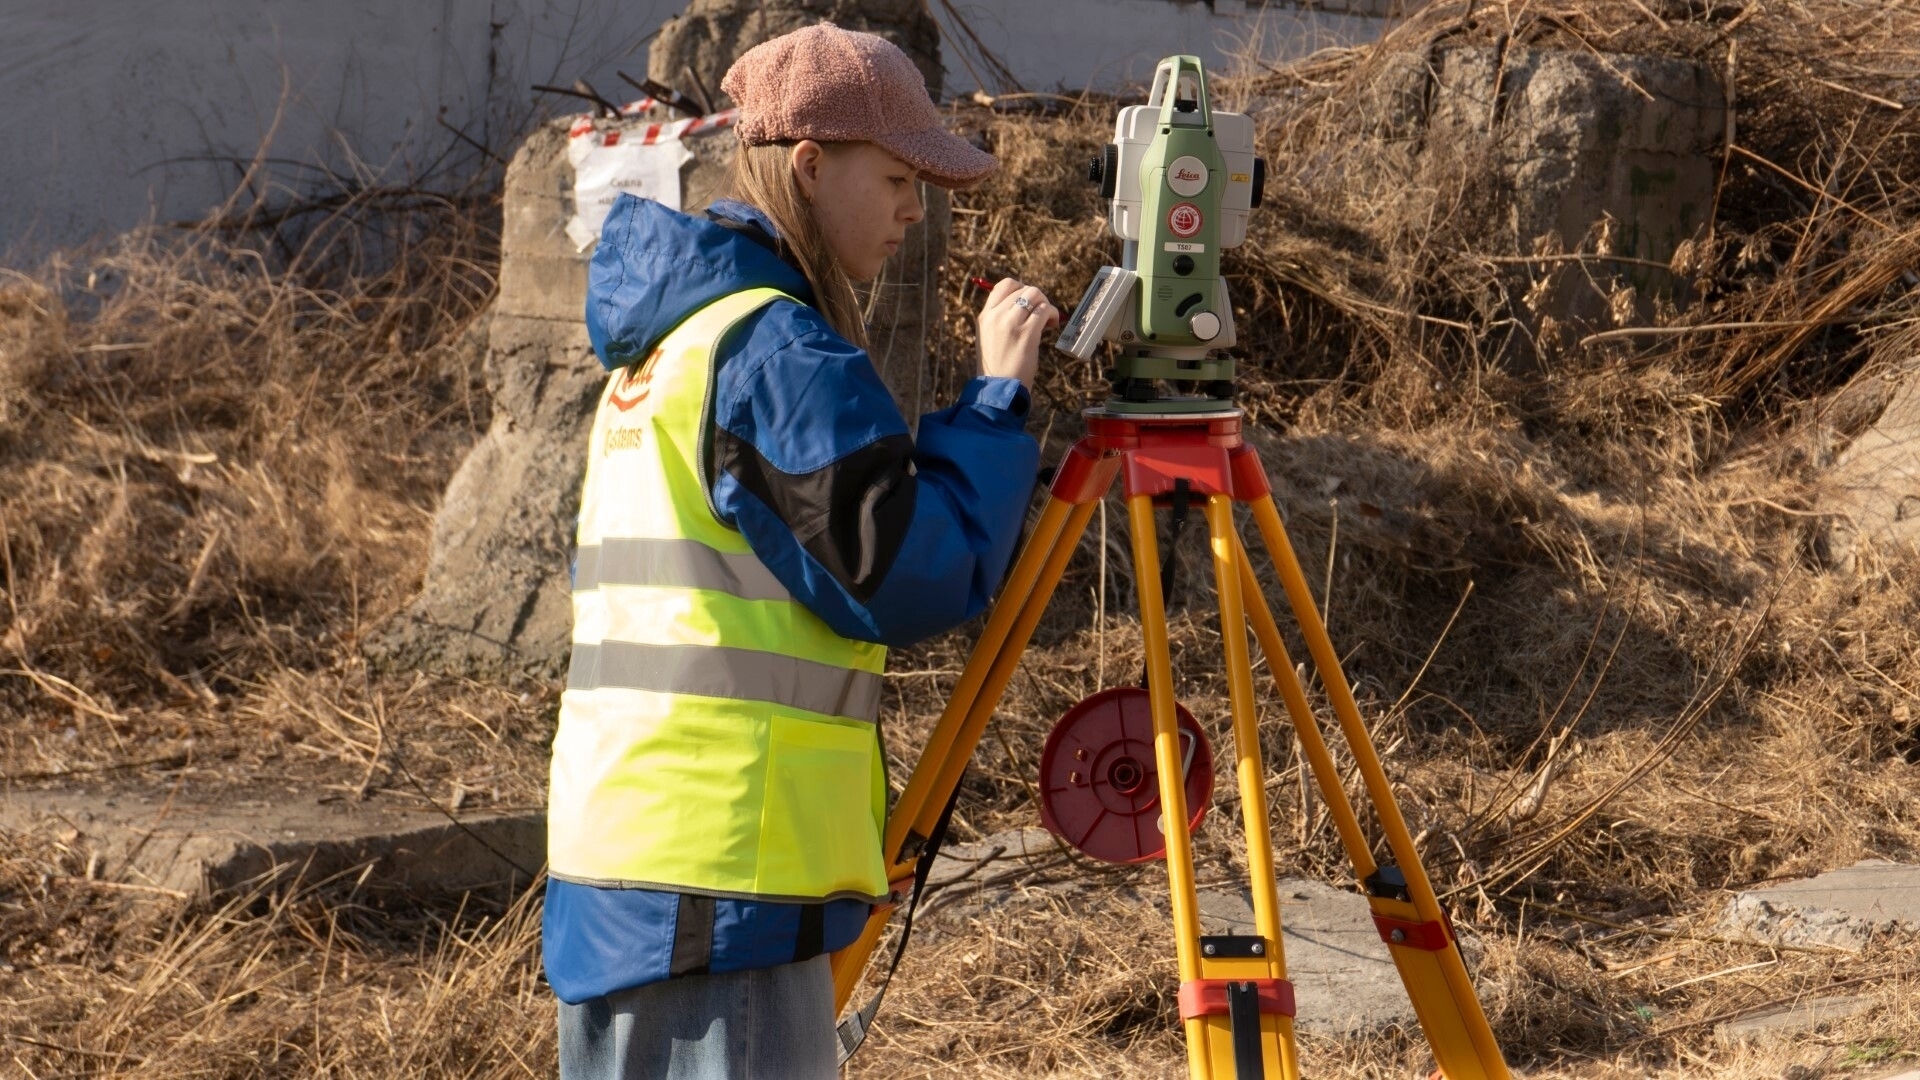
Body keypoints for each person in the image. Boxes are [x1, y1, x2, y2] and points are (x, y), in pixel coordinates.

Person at [542, 23, 1061, 1080]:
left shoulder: (676, 340)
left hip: (636, 855)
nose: (920, 207)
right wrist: (998, 406)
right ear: (812, 168)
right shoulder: (777, 349)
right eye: (899, 175)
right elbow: (913, 575)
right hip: (723, 877)